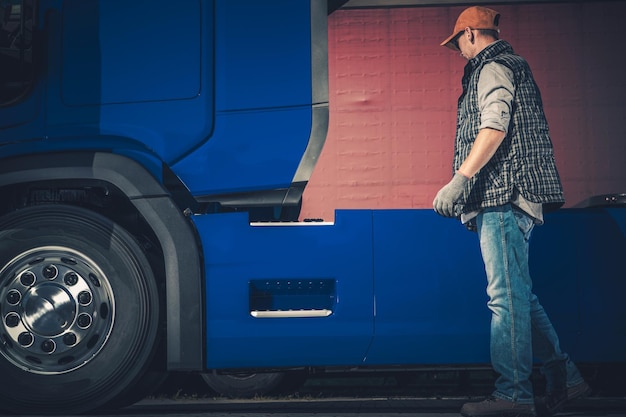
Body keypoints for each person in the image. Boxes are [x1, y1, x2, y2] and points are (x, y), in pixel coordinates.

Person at [434, 6, 591, 417]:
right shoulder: (512, 64)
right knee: (519, 296)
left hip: (503, 195)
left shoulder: (492, 67)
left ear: (470, 34)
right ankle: (567, 378)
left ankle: (513, 396)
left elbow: (494, 125)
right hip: (518, 196)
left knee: (504, 299)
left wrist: (461, 178)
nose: (459, 52)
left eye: (458, 44)